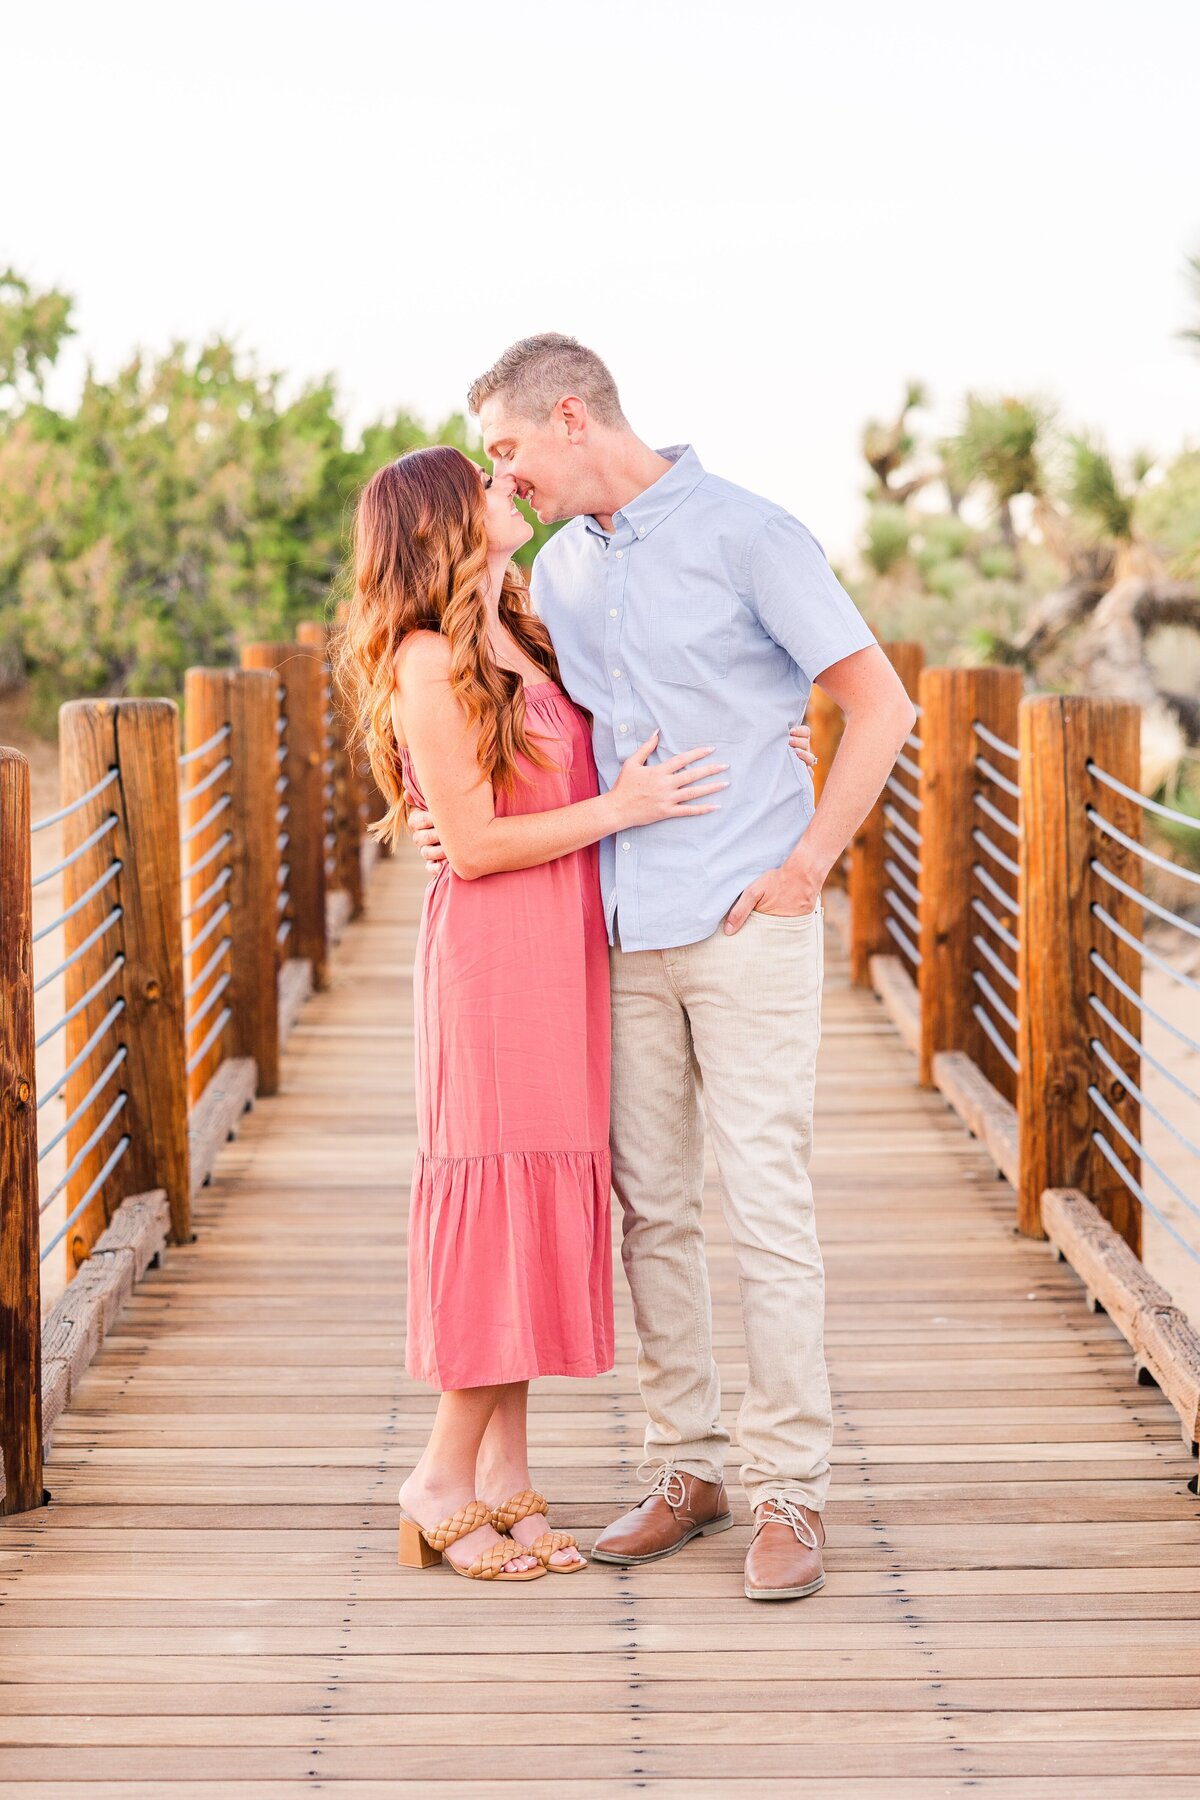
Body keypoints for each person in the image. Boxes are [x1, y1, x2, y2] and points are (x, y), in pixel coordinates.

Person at [408, 334, 917, 1601]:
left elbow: (881, 703)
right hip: (615, 938)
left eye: (512, 451)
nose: (504, 480)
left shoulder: (751, 534)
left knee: (768, 1205)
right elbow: (482, 716)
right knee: (653, 1213)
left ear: (571, 417)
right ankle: (686, 1467)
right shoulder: (558, 577)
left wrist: (808, 862)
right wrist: (421, 821)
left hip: (748, 922)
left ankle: (790, 1485)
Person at [333, 445, 734, 1583]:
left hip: (564, 953)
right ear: (440, 521)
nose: (509, 486)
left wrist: (770, 748)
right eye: (485, 479)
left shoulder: (524, 630)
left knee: (537, 1202)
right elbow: (471, 844)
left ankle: (506, 1481)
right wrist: (622, 808)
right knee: (499, 1205)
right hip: (495, 967)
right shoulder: (421, 659)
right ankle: (438, 1478)